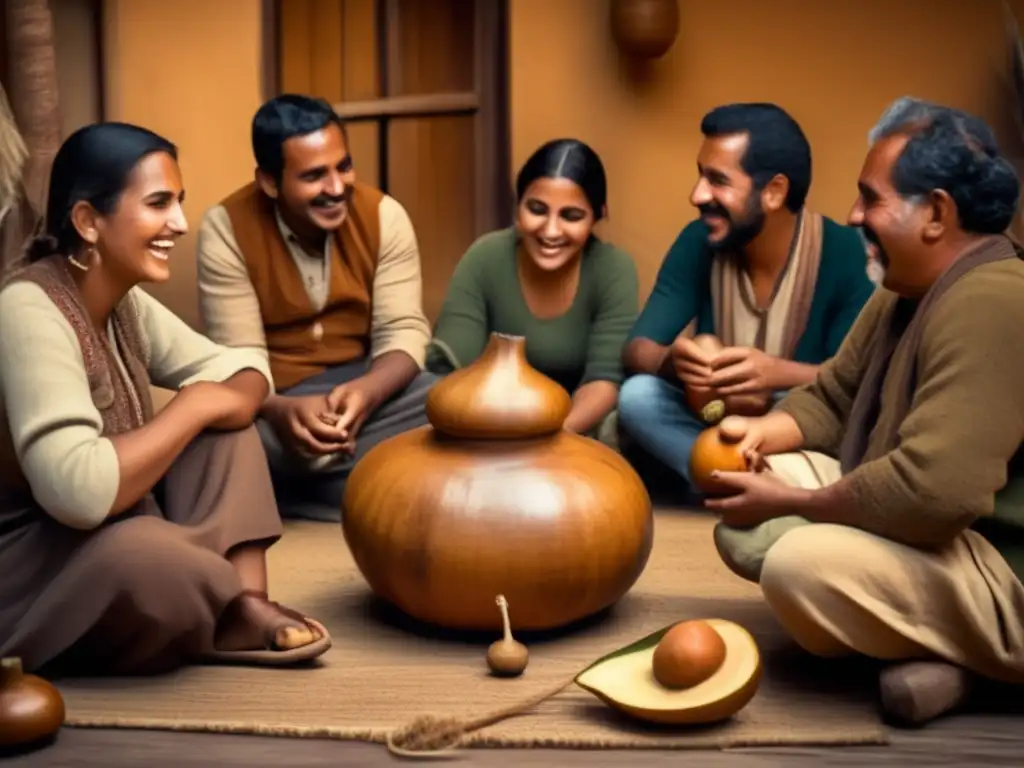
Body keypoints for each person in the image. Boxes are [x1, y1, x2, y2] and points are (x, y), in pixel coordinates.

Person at [705, 97, 1024, 727]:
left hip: (1000, 566)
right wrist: (761, 433)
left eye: (869, 198)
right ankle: (947, 654)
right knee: (748, 531)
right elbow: (834, 396)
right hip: (925, 530)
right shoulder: (906, 283)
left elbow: (931, 496)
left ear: (935, 212)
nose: (853, 215)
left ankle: (989, 668)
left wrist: (792, 504)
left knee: (796, 565)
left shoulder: (995, 302)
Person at [0, 122, 332, 677]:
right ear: (88, 221)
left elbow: (247, 373)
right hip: (40, 568)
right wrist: (192, 406)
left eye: (179, 203)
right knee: (144, 553)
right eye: (159, 204)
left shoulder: (125, 302)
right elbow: (79, 494)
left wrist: (212, 405)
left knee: (230, 433)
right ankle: (224, 609)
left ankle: (242, 607)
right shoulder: (27, 311)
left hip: (125, 526)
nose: (179, 224)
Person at [196, 94, 435, 522]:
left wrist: (367, 392)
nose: (337, 187)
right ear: (269, 182)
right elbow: (240, 360)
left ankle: (298, 490)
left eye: (343, 167)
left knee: (445, 402)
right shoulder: (226, 227)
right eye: (313, 176)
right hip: (275, 400)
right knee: (215, 436)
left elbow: (403, 332)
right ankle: (375, 486)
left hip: (368, 395)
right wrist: (280, 411)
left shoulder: (385, 215)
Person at [616, 103, 874, 495]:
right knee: (637, 398)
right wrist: (672, 361)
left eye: (717, 180)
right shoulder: (697, 241)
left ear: (773, 192)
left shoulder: (843, 253)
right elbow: (637, 349)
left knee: (855, 418)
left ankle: (730, 481)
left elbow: (861, 381)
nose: (697, 194)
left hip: (795, 422)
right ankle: (746, 483)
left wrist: (775, 374)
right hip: (713, 418)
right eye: (700, 176)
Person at [425, 138, 639, 443]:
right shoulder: (486, 256)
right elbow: (455, 366)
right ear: (518, 207)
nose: (551, 231)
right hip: (487, 418)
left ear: (597, 215)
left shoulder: (613, 269)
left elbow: (603, 381)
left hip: (575, 428)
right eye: (537, 209)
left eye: (571, 216)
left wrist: (550, 437)